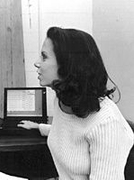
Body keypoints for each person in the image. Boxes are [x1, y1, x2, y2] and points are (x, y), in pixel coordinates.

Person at [18, 27, 134, 180]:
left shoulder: (107, 124)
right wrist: (38, 127)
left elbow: (86, 130)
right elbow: (70, 131)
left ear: (68, 65)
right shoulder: (63, 100)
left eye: (44, 57)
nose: (37, 63)